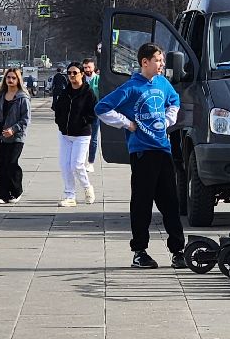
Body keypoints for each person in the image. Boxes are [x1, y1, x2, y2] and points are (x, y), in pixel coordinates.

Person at [95, 42, 185, 269]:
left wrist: (167, 119)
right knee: (142, 202)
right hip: (142, 152)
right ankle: (139, 251)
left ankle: (178, 250)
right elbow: (102, 108)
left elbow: (174, 101)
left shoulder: (163, 83)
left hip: (163, 149)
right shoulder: (131, 87)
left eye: (162, 60)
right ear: (145, 62)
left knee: (171, 203)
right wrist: (126, 123)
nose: (162, 64)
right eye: (158, 60)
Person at [53, 62, 98, 206]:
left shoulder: (88, 92)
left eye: (75, 73)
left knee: (77, 165)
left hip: (82, 134)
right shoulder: (65, 92)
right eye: (69, 73)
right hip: (65, 134)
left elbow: (93, 112)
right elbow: (58, 109)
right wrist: (60, 122)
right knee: (65, 165)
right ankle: (70, 196)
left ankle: (87, 188)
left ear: (81, 74)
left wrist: (83, 121)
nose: (71, 76)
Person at [0, 67, 30, 204]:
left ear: (18, 80)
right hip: (2, 135)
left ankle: (16, 191)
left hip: (16, 137)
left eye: (13, 78)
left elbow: (25, 119)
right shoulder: (0, 96)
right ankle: (2, 194)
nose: (10, 80)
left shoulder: (23, 97)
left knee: (11, 163)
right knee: (1, 164)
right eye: (8, 77)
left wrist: (14, 129)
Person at [82, 58, 100, 170]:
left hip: (95, 113)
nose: (87, 69)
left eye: (89, 67)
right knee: (82, 137)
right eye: (85, 67)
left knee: (93, 138)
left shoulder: (99, 79)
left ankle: (90, 162)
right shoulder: (81, 79)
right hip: (82, 114)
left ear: (94, 67)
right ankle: (80, 161)